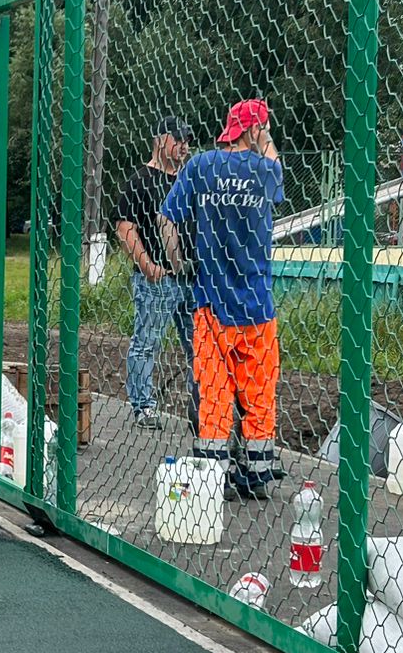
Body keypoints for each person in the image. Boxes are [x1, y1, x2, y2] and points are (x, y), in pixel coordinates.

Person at [157, 98, 284, 501]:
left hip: (211, 302)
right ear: (254, 130)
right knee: (259, 392)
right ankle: (259, 474)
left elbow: (166, 220)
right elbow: (277, 176)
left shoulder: (200, 166)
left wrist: (179, 264)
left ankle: (213, 477)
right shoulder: (265, 170)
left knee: (214, 394)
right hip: (257, 304)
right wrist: (265, 139)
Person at [113, 116, 197, 432]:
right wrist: (147, 264)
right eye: (178, 139)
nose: (184, 145)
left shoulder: (190, 179)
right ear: (160, 139)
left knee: (198, 346)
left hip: (192, 277)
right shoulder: (141, 181)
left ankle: (201, 409)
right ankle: (144, 406)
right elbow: (124, 226)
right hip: (157, 279)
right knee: (147, 342)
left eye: (187, 140)